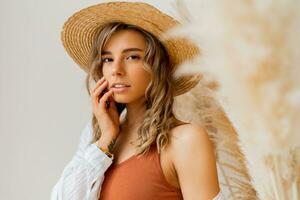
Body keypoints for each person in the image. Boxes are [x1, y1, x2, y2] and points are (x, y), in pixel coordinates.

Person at [51, 1, 222, 200]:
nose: (116, 70)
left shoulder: (186, 140)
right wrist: (105, 140)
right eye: (107, 59)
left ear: (157, 66)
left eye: (132, 57)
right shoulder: (97, 137)